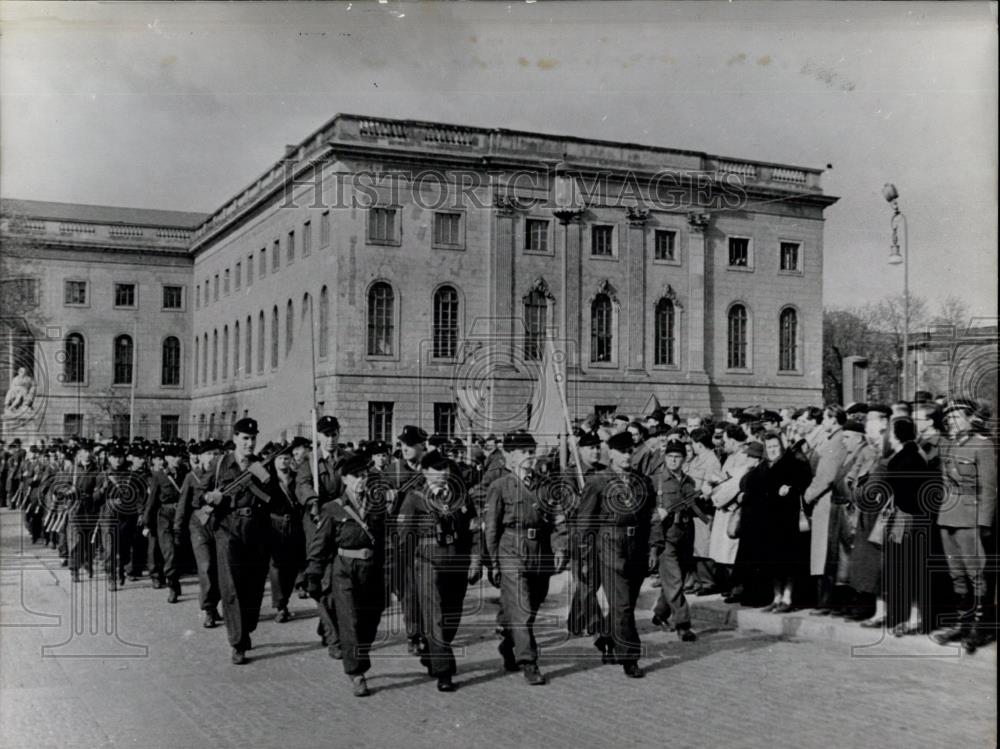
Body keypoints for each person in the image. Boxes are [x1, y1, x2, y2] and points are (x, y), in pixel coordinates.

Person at [485, 430, 567, 685]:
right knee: (521, 607)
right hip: (512, 549)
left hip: (540, 549)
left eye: (532, 452)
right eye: (523, 452)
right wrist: (493, 563)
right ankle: (529, 662)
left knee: (532, 606)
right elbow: (491, 527)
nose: (530, 457)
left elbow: (557, 521)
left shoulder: (545, 484)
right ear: (510, 456)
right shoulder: (500, 486)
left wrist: (560, 547)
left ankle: (509, 641)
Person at [304, 451, 387, 697]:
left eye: (365, 475)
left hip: (371, 570)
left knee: (370, 620)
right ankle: (357, 673)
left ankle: (360, 653)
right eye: (357, 476)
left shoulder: (377, 506)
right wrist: (313, 575)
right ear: (346, 480)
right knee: (349, 621)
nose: (362, 480)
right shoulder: (332, 509)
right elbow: (319, 546)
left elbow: (385, 542)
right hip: (345, 571)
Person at [397, 451, 479, 691]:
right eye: (436, 470)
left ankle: (434, 653)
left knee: (452, 615)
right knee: (436, 618)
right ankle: (444, 672)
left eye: (445, 469)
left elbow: (474, 530)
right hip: (427, 563)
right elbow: (403, 538)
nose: (442, 474)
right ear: (425, 472)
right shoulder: (414, 499)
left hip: (457, 561)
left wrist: (475, 560)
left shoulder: (461, 497)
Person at [577, 431, 655, 677]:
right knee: (622, 606)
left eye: (631, 451)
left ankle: (606, 637)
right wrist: (586, 557)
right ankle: (629, 657)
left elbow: (650, 518)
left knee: (627, 605)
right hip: (609, 549)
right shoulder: (598, 481)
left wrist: (654, 546)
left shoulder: (642, 481)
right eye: (622, 451)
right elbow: (585, 523)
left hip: (636, 549)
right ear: (611, 452)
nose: (627, 456)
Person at [202, 417, 272, 665]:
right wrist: (212, 497)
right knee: (231, 587)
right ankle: (238, 642)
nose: (250, 443)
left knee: (253, 587)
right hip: (228, 529)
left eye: (253, 438)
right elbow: (201, 493)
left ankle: (246, 628)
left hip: (256, 530)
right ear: (235, 439)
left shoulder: (261, 465)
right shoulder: (221, 464)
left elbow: (269, 496)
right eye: (245, 438)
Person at [932, 399, 997, 651]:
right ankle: (961, 623)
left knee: (976, 574)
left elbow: (989, 490)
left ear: (971, 419)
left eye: (958, 417)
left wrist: (984, 523)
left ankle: (979, 629)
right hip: (947, 516)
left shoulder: (982, 445)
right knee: (956, 573)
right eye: (950, 418)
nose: (952, 421)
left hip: (970, 519)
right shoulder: (948, 445)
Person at [740, 432, 811, 612]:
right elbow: (747, 485)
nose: (772, 451)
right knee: (771, 562)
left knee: (787, 561)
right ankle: (776, 596)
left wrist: (791, 489)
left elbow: (804, 482)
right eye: (769, 447)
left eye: (775, 447)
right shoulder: (762, 467)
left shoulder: (793, 464)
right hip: (767, 522)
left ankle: (787, 598)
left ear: (781, 446)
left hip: (787, 521)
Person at [295, 416, 345, 656]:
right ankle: (334, 639)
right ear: (319, 436)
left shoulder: (345, 459)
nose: (331, 439)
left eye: (334, 433)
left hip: (339, 521)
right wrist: (313, 500)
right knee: (322, 578)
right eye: (326, 434)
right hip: (316, 522)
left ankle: (325, 624)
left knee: (337, 577)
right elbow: (302, 485)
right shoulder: (310, 461)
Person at [882, 417, 932, 636]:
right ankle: (911, 617)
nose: (889, 437)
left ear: (897, 435)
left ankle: (914, 619)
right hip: (910, 518)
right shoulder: (913, 455)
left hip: (908, 520)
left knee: (909, 570)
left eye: (891, 433)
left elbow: (904, 490)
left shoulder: (907, 458)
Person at [650, 440, 700, 641]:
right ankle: (683, 624)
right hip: (665, 537)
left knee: (672, 580)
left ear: (684, 459)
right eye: (670, 456)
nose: (673, 460)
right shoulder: (656, 481)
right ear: (664, 457)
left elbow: (694, 507)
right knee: (675, 580)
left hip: (685, 535)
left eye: (677, 457)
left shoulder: (689, 482)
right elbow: (646, 510)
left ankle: (660, 613)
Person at [386, 425, 429, 656]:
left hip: (428, 537)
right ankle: (414, 635)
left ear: (422, 446)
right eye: (402, 444)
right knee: (409, 590)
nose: (405, 449)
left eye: (410, 445)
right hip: (402, 539)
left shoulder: (433, 468)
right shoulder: (392, 471)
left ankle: (429, 633)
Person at [803, 406, 848, 613]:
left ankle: (827, 601)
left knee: (824, 552)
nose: (823, 423)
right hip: (825, 500)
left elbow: (825, 476)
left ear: (833, 420)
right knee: (823, 551)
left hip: (825, 500)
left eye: (825, 419)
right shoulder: (832, 441)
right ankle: (826, 600)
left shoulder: (836, 443)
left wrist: (808, 495)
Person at [175, 441, 222, 628]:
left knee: (219, 569)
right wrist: (178, 528)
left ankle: (215, 604)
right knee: (206, 566)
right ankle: (209, 609)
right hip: (199, 526)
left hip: (220, 526)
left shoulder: (222, 475)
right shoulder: (191, 477)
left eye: (216, 453)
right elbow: (183, 503)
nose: (212, 457)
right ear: (200, 457)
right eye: (209, 453)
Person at [566, 430, 604, 637]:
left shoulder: (603, 472)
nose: (596, 451)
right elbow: (568, 506)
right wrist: (583, 499)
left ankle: (575, 620)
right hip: (580, 535)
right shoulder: (570, 474)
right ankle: (596, 622)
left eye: (598, 447)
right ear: (580, 450)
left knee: (593, 580)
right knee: (586, 578)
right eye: (591, 447)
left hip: (601, 535)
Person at [143, 444, 188, 603]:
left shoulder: (186, 474)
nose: (177, 459)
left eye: (179, 456)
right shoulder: (159, 476)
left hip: (182, 516)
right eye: (173, 456)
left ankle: (175, 578)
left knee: (179, 550)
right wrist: (147, 523)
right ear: (167, 459)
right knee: (169, 552)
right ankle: (173, 585)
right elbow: (152, 501)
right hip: (165, 517)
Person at [266, 446, 304, 623]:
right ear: (274, 461)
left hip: (295, 524)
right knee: (276, 565)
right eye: (280, 458)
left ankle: (285, 600)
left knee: (292, 566)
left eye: (287, 458)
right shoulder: (268, 481)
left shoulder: (297, 479)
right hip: (274, 524)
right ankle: (280, 605)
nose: (284, 462)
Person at [96, 444, 142, 590]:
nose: (117, 460)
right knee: (109, 548)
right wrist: (103, 488)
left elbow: (139, 496)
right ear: (109, 458)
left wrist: (139, 512)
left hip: (126, 516)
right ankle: (112, 576)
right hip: (108, 515)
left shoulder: (131, 475)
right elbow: (95, 498)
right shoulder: (102, 475)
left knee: (123, 547)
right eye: (114, 457)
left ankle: (121, 570)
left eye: (120, 457)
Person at [66, 441, 101, 582]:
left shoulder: (96, 470)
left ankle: (88, 562)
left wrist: (96, 495)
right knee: (76, 538)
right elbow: (62, 487)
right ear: (79, 453)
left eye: (89, 451)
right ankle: (74, 568)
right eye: (84, 451)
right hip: (76, 507)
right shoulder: (72, 470)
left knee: (90, 538)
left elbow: (100, 488)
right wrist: (69, 492)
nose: (87, 454)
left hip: (91, 507)